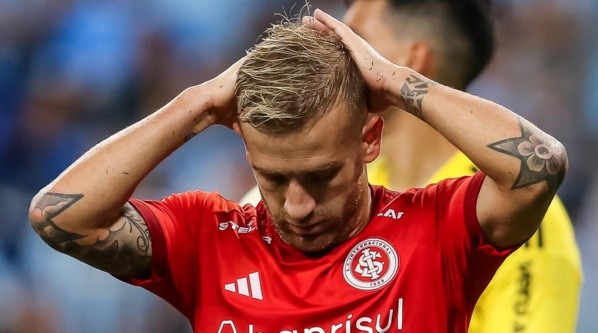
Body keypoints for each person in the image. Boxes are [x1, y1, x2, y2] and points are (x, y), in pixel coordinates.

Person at [28, 8, 568, 332]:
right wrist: (193, 105)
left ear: (369, 139)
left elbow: (539, 168)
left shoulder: (435, 228)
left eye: (321, 176)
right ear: (243, 145)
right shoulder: (208, 236)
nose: (297, 206)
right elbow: (60, 216)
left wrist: (393, 80)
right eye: (273, 179)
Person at [242, 1, 583, 331]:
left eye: (356, 41)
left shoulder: (516, 214)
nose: (336, 56)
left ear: (408, 61)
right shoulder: (328, 186)